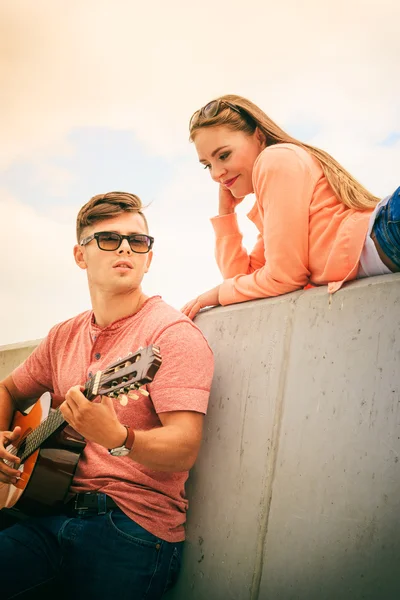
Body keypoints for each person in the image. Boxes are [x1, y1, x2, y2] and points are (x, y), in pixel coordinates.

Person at [0, 191, 214, 599]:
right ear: (81, 255)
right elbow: (7, 388)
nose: (125, 250)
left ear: (149, 257)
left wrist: (119, 437)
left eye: (138, 241)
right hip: (44, 514)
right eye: (108, 239)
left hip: (130, 530)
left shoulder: (171, 336)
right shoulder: (64, 335)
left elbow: (184, 446)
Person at [181, 95, 400, 320]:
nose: (216, 174)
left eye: (224, 155)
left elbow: (284, 278)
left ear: (259, 136)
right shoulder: (276, 191)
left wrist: (218, 294)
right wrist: (226, 215)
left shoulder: (274, 160)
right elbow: (246, 278)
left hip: (388, 230)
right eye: (207, 165)